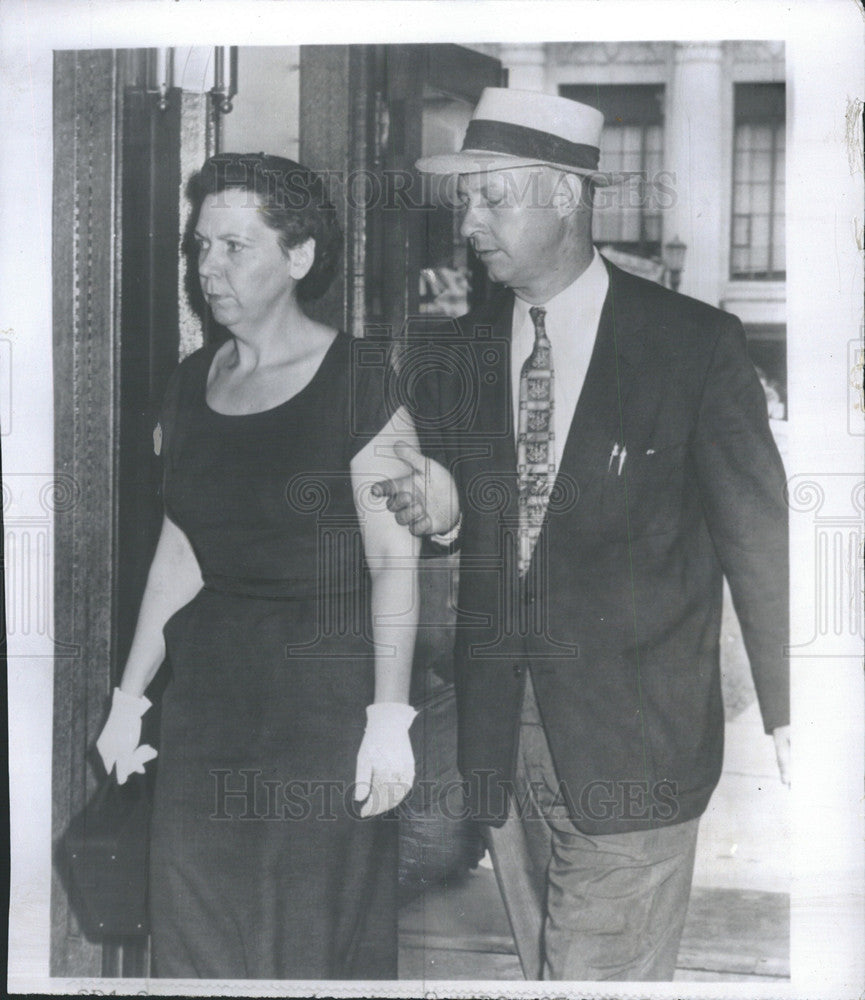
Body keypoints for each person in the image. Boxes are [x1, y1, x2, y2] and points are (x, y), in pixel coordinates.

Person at [376, 88, 790, 981]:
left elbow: (758, 534)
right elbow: (446, 504)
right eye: (465, 200)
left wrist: (792, 706)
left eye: (492, 195)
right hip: (502, 744)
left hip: (637, 744)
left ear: (564, 196)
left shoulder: (694, 346)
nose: (471, 221)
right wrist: (438, 508)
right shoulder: (453, 353)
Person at [95, 153, 420, 979]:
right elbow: (181, 549)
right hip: (208, 708)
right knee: (195, 934)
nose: (208, 268)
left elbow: (394, 563)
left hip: (320, 710)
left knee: (302, 945)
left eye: (234, 247)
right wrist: (129, 699)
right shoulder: (189, 382)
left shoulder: (358, 380)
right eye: (199, 247)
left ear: (300, 256)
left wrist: (388, 720)